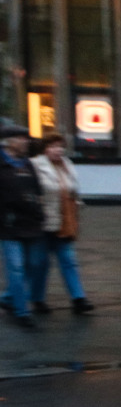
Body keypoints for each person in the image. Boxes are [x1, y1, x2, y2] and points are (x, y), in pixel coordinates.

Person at [29, 132, 94, 315]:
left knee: (68, 260)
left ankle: (78, 299)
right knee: (40, 263)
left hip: (65, 221)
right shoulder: (35, 165)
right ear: (44, 149)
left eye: (60, 146)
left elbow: (73, 190)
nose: (58, 150)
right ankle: (36, 299)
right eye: (53, 146)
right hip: (43, 223)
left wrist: (77, 205)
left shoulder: (67, 165)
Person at [0, 125, 44, 328]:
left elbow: (37, 191)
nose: (26, 141)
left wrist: (39, 211)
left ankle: (8, 298)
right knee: (16, 269)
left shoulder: (27, 164)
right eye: (21, 138)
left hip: (31, 224)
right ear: (8, 142)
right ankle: (22, 312)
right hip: (9, 227)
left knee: (33, 266)